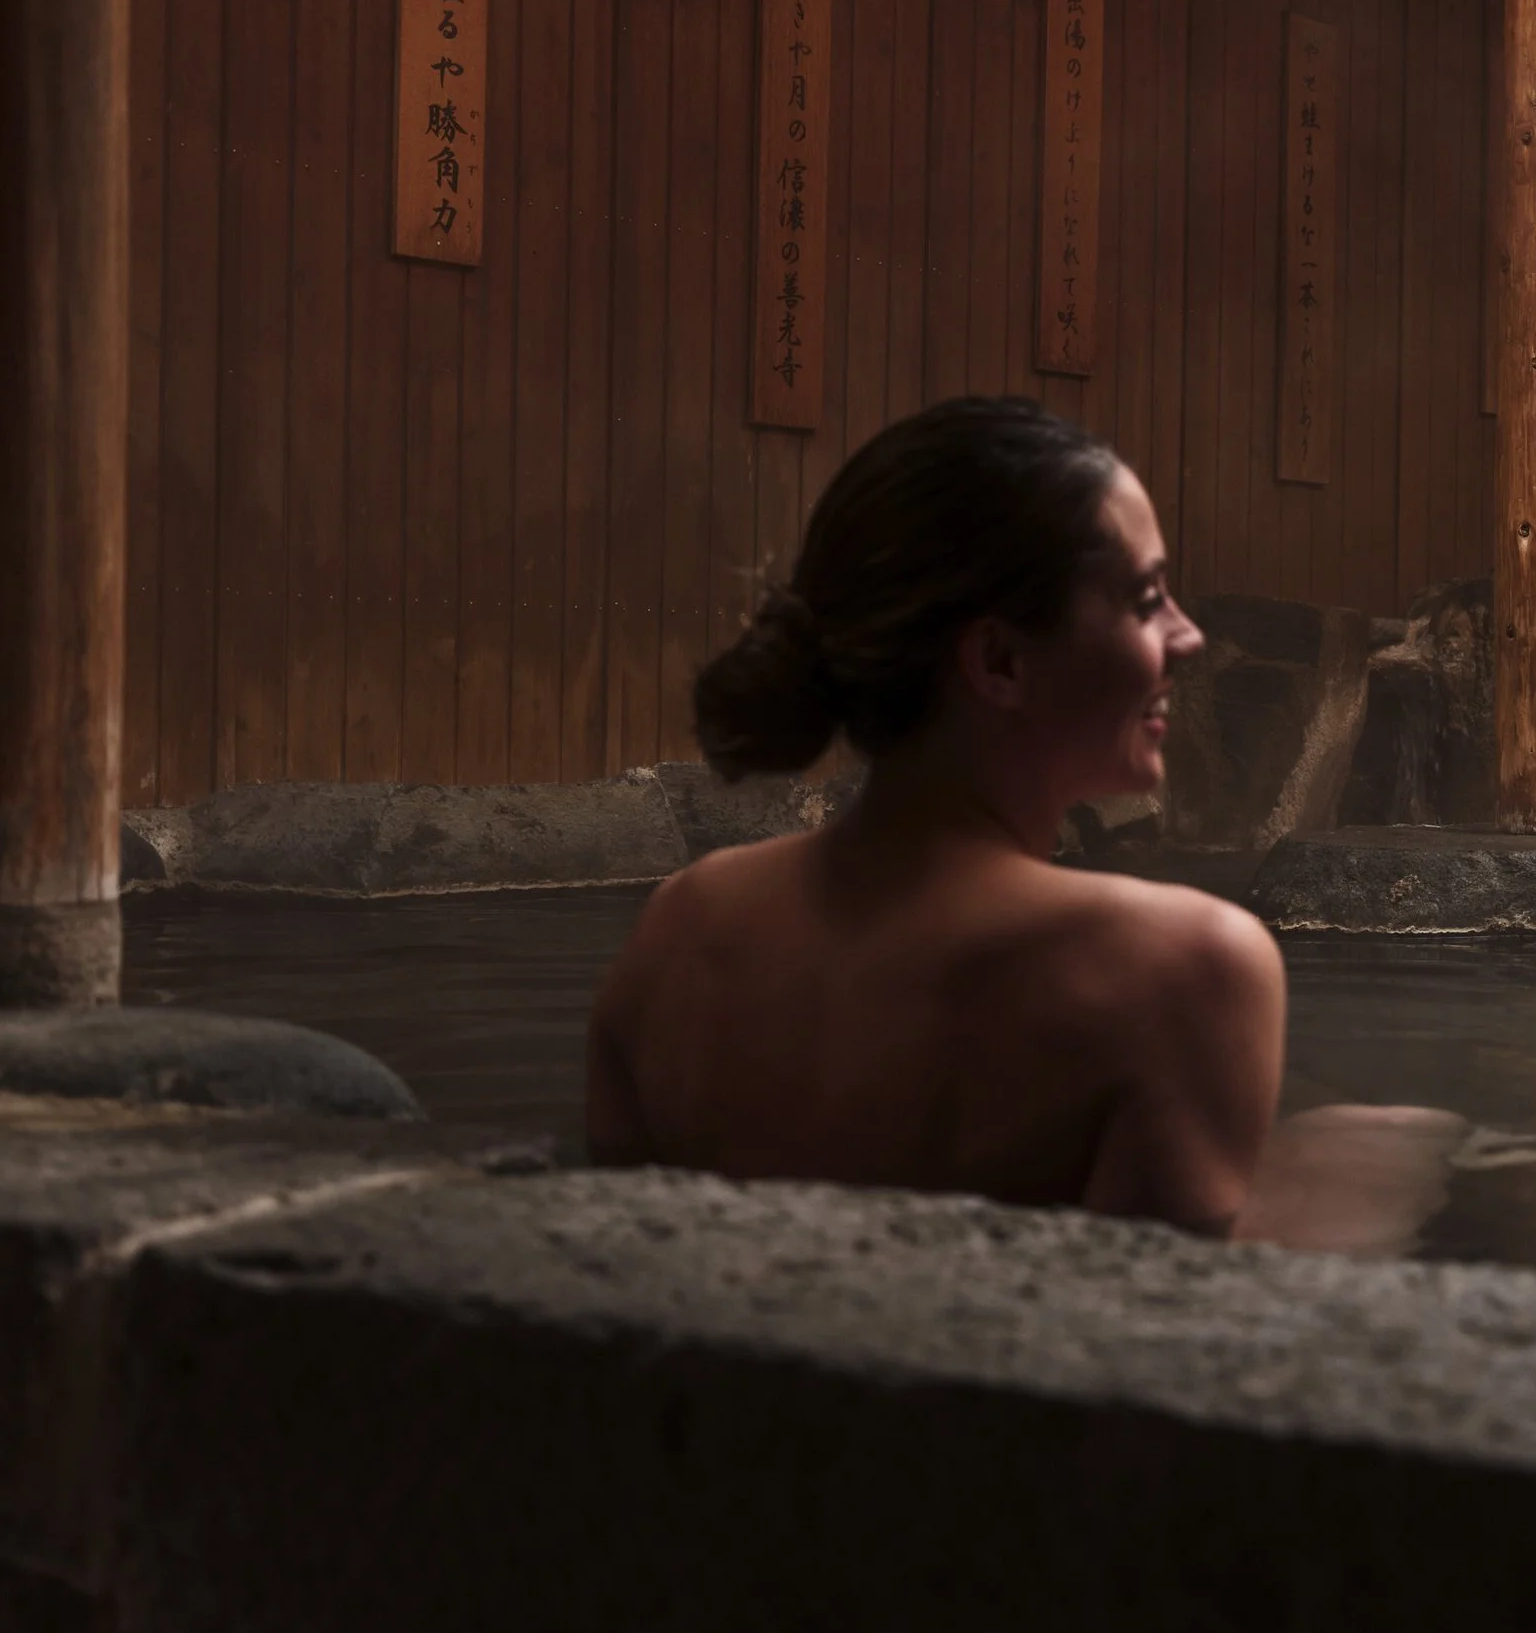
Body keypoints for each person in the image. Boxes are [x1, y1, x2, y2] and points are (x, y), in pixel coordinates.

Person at [587, 396, 1463, 1249]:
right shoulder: (1179, 966)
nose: (1188, 636)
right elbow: (1156, 1353)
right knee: (1400, 1141)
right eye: (1146, 597)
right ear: (1000, 659)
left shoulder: (682, 927)